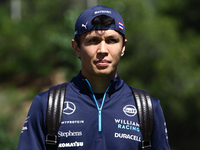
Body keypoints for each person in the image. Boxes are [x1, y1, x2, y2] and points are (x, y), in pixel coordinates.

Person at [17, 5, 170, 150]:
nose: (103, 50)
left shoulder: (147, 108)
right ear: (77, 48)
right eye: (93, 41)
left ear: (123, 47)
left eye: (112, 40)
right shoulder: (47, 105)